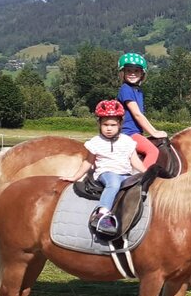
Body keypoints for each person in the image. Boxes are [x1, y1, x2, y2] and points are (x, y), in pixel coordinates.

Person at [61, 99, 145, 235]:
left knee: (136, 186)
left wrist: (146, 172)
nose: (109, 128)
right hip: (106, 173)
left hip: (125, 173)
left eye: (113, 125)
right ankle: (102, 213)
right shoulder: (95, 142)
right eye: (105, 124)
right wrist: (75, 176)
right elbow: (88, 162)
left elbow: (135, 161)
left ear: (120, 124)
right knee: (113, 184)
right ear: (99, 124)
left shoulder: (127, 141)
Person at [116, 53, 167, 169]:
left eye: (136, 71)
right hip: (128, 133)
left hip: (135, 133)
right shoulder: (126, 89)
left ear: (142, 74)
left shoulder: (138, 91)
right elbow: (137, 115)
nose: (132, 74)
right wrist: (154, 132)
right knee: (153, 151)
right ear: (122, 73)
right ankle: (142, 179)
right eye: (129, 71)